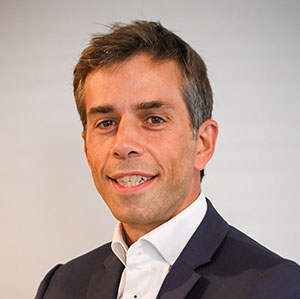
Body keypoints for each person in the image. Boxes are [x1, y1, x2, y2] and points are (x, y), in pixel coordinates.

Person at [35, 21, 300, 299]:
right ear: (87, 149)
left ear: (203, 144)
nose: (123, 145)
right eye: (106, 123)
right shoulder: (60, 285)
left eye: (154, 119)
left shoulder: (276, 287)